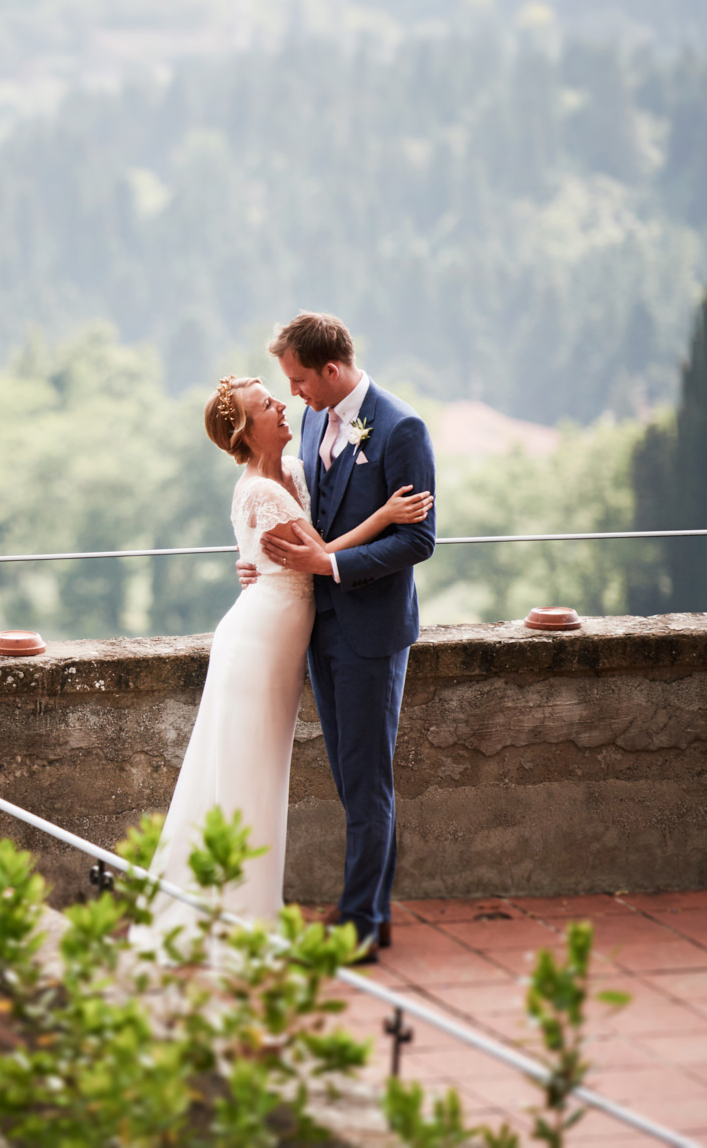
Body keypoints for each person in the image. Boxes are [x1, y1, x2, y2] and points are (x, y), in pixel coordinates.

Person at [136, 369, 432, 952]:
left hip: (290, 632)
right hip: (259, 642)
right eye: (267, 404)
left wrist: (254, 560)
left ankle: (278, 909)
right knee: (246, 771)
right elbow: (317, 554)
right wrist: (384, 517)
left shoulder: (293, 471)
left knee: (268, 771)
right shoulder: (262, 490)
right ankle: (234, 913)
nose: (282, 404)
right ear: (246, 433)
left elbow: (293, 548)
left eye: (278, 395)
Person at [245, 311, 437, 964]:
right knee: (351, 780)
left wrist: (329, 566)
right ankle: (371, 916)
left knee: (367, 784)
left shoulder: (401, 428)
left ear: (331, 369)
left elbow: (417, 540)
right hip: (317, 628)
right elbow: (309, 518)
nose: (293, 393)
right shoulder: (313, 418)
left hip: (370, 633)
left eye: (299, 380)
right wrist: (262, 559)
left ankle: (358, 926)